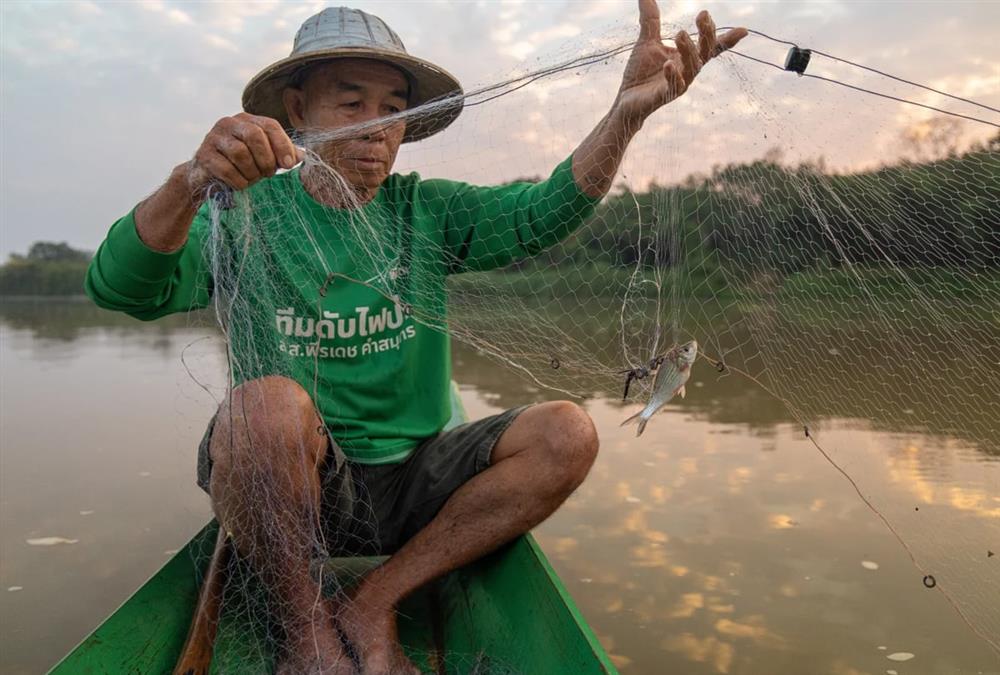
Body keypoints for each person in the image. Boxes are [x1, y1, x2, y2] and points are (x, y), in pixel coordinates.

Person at [85, 2, 745, 673]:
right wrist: (192, 180)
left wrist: (626, 112)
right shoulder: (244, 213)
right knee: (265, 410)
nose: (379, 127)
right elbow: (118, 289)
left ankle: (374, 600)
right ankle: (306, 623)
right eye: (351, 103)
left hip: (417, 485)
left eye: (393, 107)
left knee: (568, 434)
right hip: (295, 495)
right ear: (296, 109)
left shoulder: (429, 209)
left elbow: (545, 212)